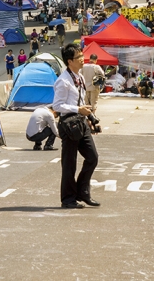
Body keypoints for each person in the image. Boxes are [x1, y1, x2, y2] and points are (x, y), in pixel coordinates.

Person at [52, 44, 99, 209]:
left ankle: (83, 192)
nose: (82, 58)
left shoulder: (79, 76)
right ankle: (68, 199)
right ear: (70, 61)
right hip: (68, 124)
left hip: (81, 122)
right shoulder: (63, 81)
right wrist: (77, 109)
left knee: (92, 157)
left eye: (82, 55)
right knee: (69, 163)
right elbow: (57, 106)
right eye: (79, 57)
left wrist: (91, 117)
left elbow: (80, 100)